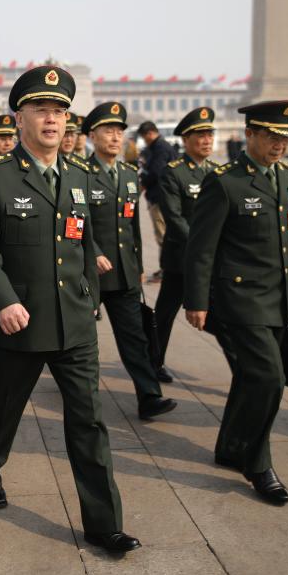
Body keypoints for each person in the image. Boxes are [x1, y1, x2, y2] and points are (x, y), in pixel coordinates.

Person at [0, 66, 140, 554]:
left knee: (88, 421)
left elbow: (83, 244)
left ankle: (104, 524)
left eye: (59, 111)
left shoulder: (79, 176)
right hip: (19, 321)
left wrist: (90, 297)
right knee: (2, 408)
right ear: (18, 118)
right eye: (40, 109)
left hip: (74, 322)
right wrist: (3, 301)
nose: (51, 119)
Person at [184, 100, 288, 505]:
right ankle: (257, 463)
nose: (279, 144)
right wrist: (196, 301)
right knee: (269, 379)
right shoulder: (226, 182)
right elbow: (200, 248)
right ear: (250, 135)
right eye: (271, 136)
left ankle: (230, 447)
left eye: (285, 137)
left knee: (250, 378)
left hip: (277, 298)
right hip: (240, 299)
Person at [82, 102, 176, 419]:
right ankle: (84, 400)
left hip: (123, 273)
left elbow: (132, 225)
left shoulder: (127, 174)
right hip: (89, 274)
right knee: (83, 342)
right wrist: (92, 251)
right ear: (92, 135)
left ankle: (149, 396)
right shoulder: (79, 175)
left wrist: (137, 267)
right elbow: (73, 222)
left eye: (119, 131)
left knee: (134, 337)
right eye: (108, 130)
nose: (115, 137)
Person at [155, 107, 221, 383]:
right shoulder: (174, 173)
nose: (206, 140)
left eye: (209, 134)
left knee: (221, 313)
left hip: (214, 260)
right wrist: (202, 247)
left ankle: (245, 367)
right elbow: (174, 217)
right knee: (166, 313)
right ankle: (154, 361)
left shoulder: (219, 172)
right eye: (200, 135)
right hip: (181, 258)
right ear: (185, 139)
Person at [137, 121, 177, 282]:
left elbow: (156, 172)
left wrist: (142, 184)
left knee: (163, 235)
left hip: (160, 197)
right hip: (162, 196)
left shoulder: (160, 148)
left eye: (144, 137)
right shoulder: (159, 146)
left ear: (150, 133)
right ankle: (166, 268)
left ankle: (167, 270)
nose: (144, 140)